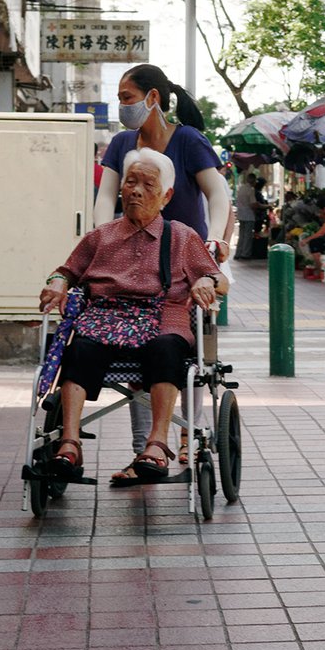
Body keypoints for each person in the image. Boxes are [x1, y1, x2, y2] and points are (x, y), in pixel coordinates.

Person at [39, 150, 224, 483]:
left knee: (166, 349)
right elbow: (67, 271)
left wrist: (204, 282)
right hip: (105, 317)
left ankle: (156, 445)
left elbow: (213, 276)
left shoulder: (181, 236)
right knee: (79, 349)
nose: (136, 190)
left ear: (166, 196)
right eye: (131, 182)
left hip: (162, 317)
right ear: (121, 188)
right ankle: (69, 443)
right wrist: (57, 284)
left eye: (147, 184)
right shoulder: (100, 236)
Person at [94, 64, 230, 479]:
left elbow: (218, 194)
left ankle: (189, 436)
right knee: (137, 354)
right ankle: (144, 450)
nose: (122, 106)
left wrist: (217, 240)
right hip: (134, 265)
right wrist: (102, 241)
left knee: (191, 356)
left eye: (127, 98)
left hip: (187, 263)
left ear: (154, 98)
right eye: (119, 98)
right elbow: (105, 199)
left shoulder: (187, 140)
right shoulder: (121, 143)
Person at [234, 172, 265, 260]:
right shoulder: (251, 189)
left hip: (241, 215)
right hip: (248, 215)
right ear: (254, 181)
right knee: (247, 236)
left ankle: (238, 253)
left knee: (241, 235)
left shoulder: (241, 188)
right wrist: (264, 206)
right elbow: (253, 204)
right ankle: (245, 254)